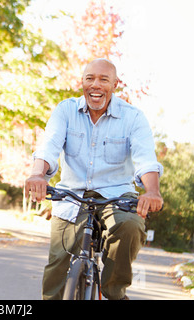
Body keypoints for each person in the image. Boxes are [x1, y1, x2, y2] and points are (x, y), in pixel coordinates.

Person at [25, 58, 164, 300]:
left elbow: (145, 159)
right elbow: (49, 146)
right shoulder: (66, 110)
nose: (95, 85)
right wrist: (37, 174)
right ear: (82, 82)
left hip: (117, 195)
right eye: (89, 79)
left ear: (115, 84)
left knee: (130, 226)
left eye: (103, 79)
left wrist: (152, 191)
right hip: (72, 194)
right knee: (58, 263)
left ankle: (113, 292)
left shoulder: (133, 117)